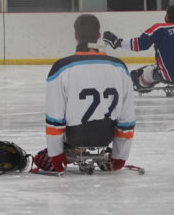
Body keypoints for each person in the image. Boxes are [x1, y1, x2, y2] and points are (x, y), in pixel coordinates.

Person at [36, 14, 135, 173]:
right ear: (99, 36)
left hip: (75, 137)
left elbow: (55, 119)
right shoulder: (120, 68)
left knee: (39, 157)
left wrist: (56, 155)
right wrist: (120, 157)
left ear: (76, 36)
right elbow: (127, 119)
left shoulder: (61, 68)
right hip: (105, 137)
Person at [103, 5, 174, 94]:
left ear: (167, 16)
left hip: (167, 75)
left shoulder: (160, 28)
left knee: (138, 74)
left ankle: (142, 84)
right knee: (166, 67)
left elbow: (140, 44)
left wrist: (117, 42)